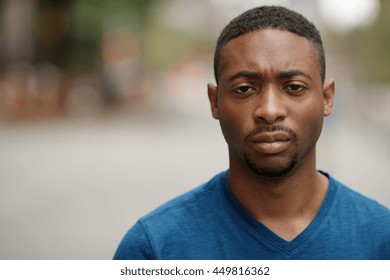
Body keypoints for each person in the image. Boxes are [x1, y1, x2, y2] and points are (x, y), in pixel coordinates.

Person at [113, 5, 390, 260]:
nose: (269, 110)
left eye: (293, 87)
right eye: (244, 89)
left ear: (327, 98)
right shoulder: (155, 248)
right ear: (215, 101)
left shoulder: (381, 239)